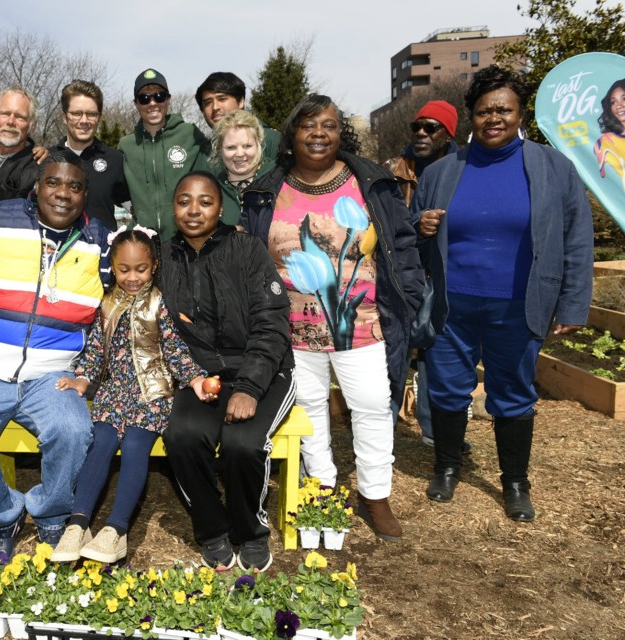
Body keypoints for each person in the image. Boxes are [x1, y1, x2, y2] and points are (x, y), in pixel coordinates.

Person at [242, 94, 424, 542]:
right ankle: (321, 485)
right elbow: (250, 255)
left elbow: (401, 243)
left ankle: (374, 494)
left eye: (328, 125)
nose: (319, 134)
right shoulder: (265, 191)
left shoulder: (372, 182)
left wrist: (412, 295)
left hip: (362, 323)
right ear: (290, 137)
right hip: (292, 327)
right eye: (308, 126)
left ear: (341, 133)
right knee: (309, 409)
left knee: (372, 406)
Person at [414, 66, 593, 521]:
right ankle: (448, 468)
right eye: (483, 111)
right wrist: (421, 227)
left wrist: (573, 302)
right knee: (450, 389)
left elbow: (575, 237)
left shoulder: (554, 169)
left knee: (512, 392)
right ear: (471, 117)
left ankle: (515, 482)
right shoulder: (441, 171)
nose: (493, 118)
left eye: (503, 109)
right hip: (452, 303)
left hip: (519, 302)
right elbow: (410, 233)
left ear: (519, 113)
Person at [0, 153, 111, 560]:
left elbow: (116, 309)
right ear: (37, 185)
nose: (63, 194)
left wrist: (89, 371)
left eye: (74, 186)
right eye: (53, 182)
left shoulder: (101, 240)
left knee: (72, 432)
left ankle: (52, 515)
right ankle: (3, 516)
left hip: (53, 374)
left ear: (86, 194)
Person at [49, 225, 209, 564]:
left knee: (136, 446)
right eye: (124, 269)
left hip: (151, 395)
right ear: (113, 267)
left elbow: (175, 348)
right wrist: (84, 378)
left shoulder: (159, 304)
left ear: (153, 267)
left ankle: (116, 530)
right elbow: (95, 348)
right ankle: (78, 524)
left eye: (141, 269)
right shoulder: (107, 304)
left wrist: (194, 377)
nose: (133, 277)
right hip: (112, 392)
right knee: (101, 443)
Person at [161, 171, 295, 572]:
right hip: (203, 375)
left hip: (264, 369)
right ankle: (212, 529)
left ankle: (250, 530)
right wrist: (190, 376)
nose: (194, 210)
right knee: (182, 436)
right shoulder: (164, 256)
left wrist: (251, 387)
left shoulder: (247, 250)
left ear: (221, 208)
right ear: (173, 208)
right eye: (184, 201)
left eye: (205, 201)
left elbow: (272, 322)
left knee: (242, 445)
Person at [382, 100, 460, 448]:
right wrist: (418, 223)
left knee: (435, 351)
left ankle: (433, 429)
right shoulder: (392, 170)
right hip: (400, 274)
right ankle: (382, 427)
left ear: (448, 134)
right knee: (393, 351)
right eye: (417, 127)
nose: (422, 134)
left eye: (432, 128)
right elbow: (384, 224)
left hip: (444, 273)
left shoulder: (462, 169)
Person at [118, 69, 211, 241]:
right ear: (136, 104)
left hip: (186, 241)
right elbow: (113, 186)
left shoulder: (190, 134)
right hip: (144, 244)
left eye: (159, 96)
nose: (152, 103)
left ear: (168, 100)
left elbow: (219, 165)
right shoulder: (126, 146)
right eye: (144, 98)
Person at [52, 80, 130, 230]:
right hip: (57, 250)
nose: (84, 121)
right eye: (76, 113)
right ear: (64, 117)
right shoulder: (47, 159)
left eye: (91, 114)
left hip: (102, 251)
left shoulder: (115, 160)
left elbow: (132, 206)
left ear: (99, 118)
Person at [0, 86, 42, 211]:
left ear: (32, 126)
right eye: (5, 114)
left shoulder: (37, 168)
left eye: (20, 117)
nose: (10, 122)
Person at [195, 71, 280, 169]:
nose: (215, 107)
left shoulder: (271, 141)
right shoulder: (202, 154)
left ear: (241, 102)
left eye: (222, 99)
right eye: (208, 102)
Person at [210, 109, 270, 225]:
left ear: (259, 144)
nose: (240, 154)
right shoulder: (212, 189)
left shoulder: (277, 179)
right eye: (231, 147)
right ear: (219, 150)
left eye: (247, 146)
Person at [594, 78, 625, 186]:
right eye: (613, 102)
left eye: (624, 99)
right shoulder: (606, 142)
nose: (619, 105)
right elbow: (603, 180)